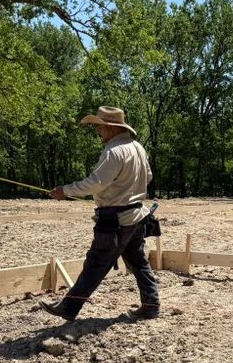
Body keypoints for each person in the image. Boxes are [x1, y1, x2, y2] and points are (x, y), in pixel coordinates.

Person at [39, 106, 160, 322]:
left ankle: (69, 306)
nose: (98, 132)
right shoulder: (137, 147)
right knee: (137, 261)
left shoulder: (113, 152)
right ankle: (151, 304)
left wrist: (64, 191)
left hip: (116, 221)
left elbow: (96, 183)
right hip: (137, 217)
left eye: (101, 127)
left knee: (96, 263)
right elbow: (148, 177)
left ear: (112, 128)